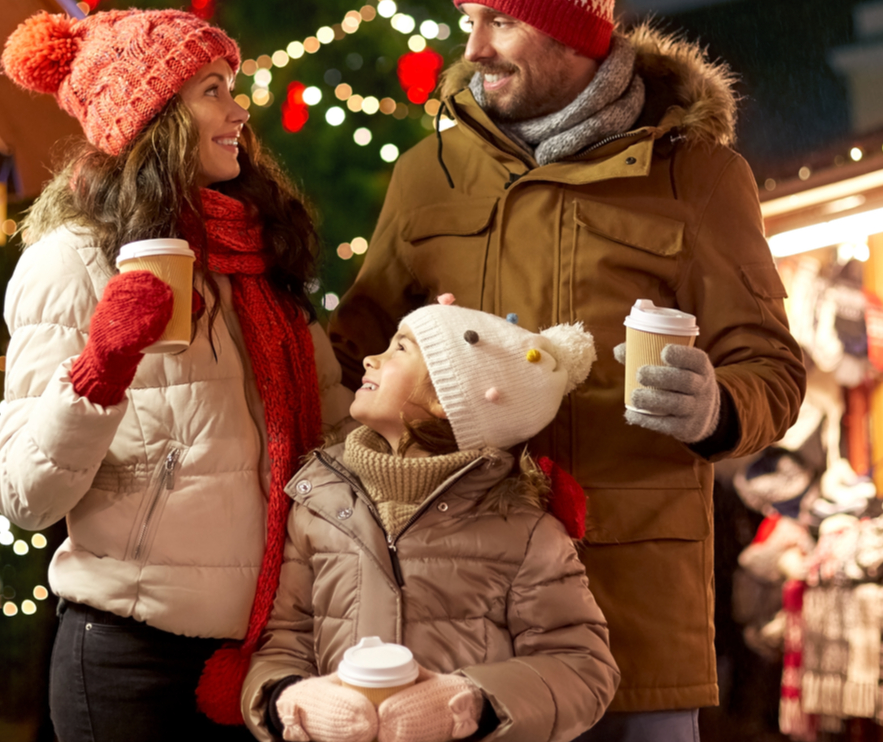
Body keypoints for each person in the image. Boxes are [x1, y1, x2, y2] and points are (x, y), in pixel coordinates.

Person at [331, 0, 805, 740]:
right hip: (463, 613)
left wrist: (717, 407)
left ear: (572, 35)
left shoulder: (695, 176)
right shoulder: (426, 174)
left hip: (630, 605)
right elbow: (352, 352)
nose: (472, 49)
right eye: (469, 21)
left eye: (499, 25)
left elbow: (770, 365)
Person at [0, 8, 347, 742]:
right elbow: (23, 494)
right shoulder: (72, 261)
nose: (238, 109)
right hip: (130, 659)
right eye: (212, 89)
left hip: (268, 655)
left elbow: (336, 437)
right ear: (153, 117)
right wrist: (102, 368)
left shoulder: (261, 252)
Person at [243, 299, 619, 742]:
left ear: (446, 397)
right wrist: (288, 700)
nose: (371, 358)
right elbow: (287, 639)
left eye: (400, 349)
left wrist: (470, 705)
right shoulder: (319, 501)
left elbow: (581, 665)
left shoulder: (524, 530)